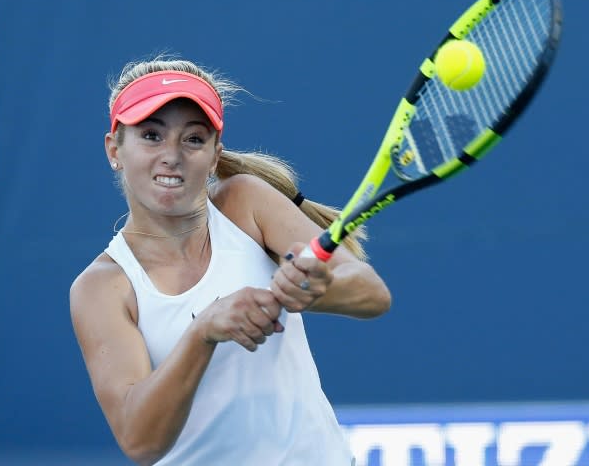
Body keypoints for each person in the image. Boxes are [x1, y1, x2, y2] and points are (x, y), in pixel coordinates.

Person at [69, 56, 392, 466]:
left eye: (193, 139)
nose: (172, 155)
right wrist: (203, 331)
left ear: (215, 153)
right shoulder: (101, 287)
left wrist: (315, 289)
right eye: (151, 135)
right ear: (115, 149)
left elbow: (372, 294)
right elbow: (140, 441)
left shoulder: (245, 203)